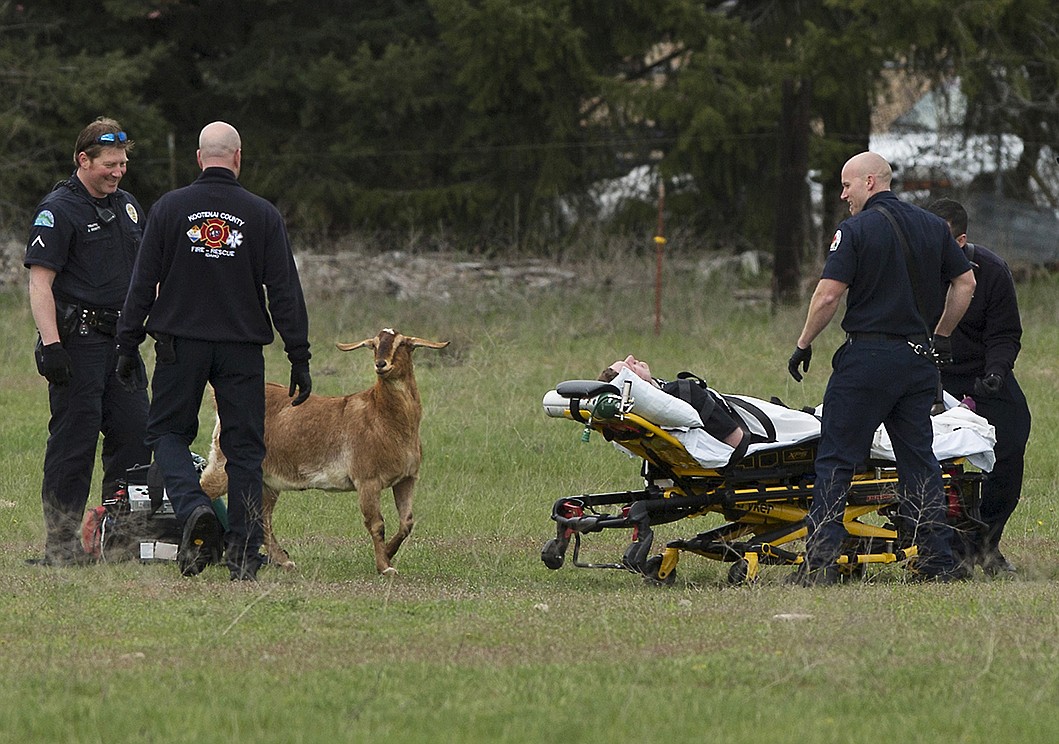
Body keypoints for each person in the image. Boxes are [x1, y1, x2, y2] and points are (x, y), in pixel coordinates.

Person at [114, 121, 312, 581]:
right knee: (245, 450)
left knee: (166, 434)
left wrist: (128, 341)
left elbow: (142, 282)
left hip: (180, 343)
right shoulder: (262, 215)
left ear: (200, 159)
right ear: (238, 158)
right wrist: (298, 355)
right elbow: (284, 290)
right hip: (242, 349)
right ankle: (244, 556)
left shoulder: (168, 209)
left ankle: (193, 508)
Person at [785, 151, 976, 585]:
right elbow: (965, 282)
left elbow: (829, 295)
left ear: (870, 182)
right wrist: (941, 334)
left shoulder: (854, 230)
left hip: (867, 361)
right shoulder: (933, 226)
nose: (843, 194)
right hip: (917, 363)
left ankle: (821, 563)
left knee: (836, 458)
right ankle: (936, 561)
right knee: (920, 462)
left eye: (847, 185)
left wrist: (804, 343)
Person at [23, 117, 150, 566]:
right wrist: (52, 345)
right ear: (84, 160)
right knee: (73, 447)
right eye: (109, 165)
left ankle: (120, 542)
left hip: (123, 346)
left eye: (123, 164)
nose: (118, 173)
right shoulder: (59, 210)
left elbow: (143, 277)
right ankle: (60, 547)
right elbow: (41, 284)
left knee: (134, 441)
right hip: (77, 343)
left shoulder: (129, 207)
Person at [928, 198, 1031, 577]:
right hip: (929, 373)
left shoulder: (991, 270)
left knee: (1014, 433)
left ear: (961, 241)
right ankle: (941, 544)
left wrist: (997, 373)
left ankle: (986, 543)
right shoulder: (913, 269)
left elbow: (1005, 333)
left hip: (982, 374)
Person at [599, 355, 746, 449]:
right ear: (637, 385)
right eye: (630, 367)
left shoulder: (644, 419)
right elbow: (740, 443)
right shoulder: (684, 392)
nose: (631, 357)